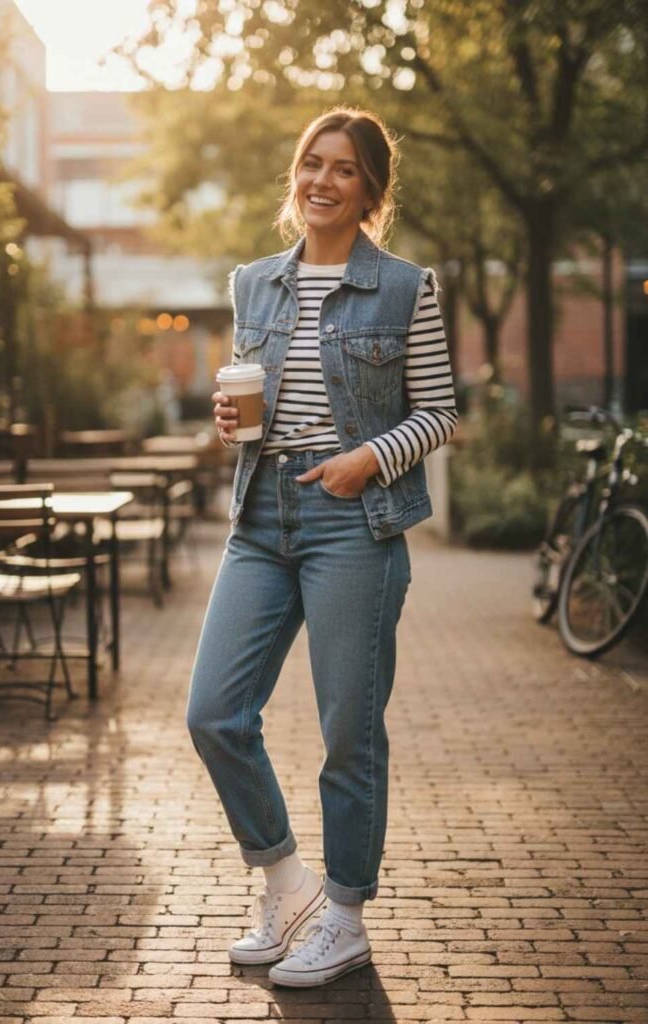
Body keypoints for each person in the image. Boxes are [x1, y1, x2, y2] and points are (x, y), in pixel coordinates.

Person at [186, 107, 458, 988]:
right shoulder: (253, 282)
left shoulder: (404, 286)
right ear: (294, 176)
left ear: (370, 190)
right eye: (311, 163)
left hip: (356, 519)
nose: (321, 181)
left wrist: (366, 460)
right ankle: (286, 884)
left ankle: (343, 916)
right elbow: (246, 404)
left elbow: (440, 410)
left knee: (348, 728)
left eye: (344, 169)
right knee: (214, 714)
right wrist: (230, 422)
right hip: (261, 516)